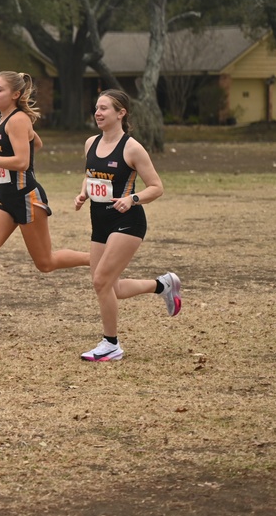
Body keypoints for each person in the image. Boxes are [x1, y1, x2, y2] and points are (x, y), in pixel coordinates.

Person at [0, 71, 90, 337]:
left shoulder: (18, 119)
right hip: (5, 196)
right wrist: (0, 163)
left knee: (45, 263)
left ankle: (99, 260)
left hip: (26, 197)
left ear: (15, 95)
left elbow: (23, 162)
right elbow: (36, 143)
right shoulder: (7, 118)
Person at [74, 90, 181, 361]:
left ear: (121, 113)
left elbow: (157, 187)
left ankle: (111, 344)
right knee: (113, 288)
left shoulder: (132, 148)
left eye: (104, 108)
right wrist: (83, 193)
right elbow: (90, 176)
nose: (97, 113)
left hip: (128, 222)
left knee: (101, 281)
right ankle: (163, 285)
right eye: (96, 108)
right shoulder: (90, 143)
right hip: (99, 221)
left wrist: (132, 199)